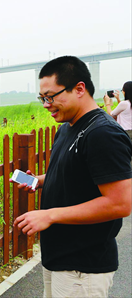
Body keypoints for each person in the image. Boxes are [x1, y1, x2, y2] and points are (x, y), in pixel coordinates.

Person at [12, 56, 132, 298]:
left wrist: (49, 214)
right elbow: (71, 172)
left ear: (79, 88)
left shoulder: (102, 133)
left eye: (50, 96)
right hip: (60, 257)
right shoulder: (67, 127)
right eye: (42, 98)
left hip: (82, 266)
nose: (46, 104)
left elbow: (120, 203)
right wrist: (39, 181)